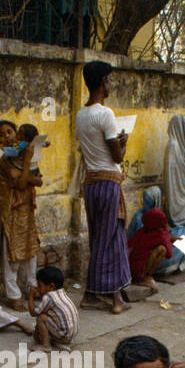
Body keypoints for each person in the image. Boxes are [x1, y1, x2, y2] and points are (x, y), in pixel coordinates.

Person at [74, 60, 131, 314]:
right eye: (109, 79)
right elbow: (117, 156)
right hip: (108, 181)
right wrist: (124, 141)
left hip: (91, 183)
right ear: (102, 82)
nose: (111, 84)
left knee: (99, 237)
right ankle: (116, 297)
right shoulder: (105, 114)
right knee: (111, 237)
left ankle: (90, 293)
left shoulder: (81, 114)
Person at [0, 119, 43, 312]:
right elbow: (22, 183)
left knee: (31, 251)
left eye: (10, 132)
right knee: (11, 254)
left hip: (27, 211)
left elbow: (39, 181)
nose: (7, 136)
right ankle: (13, 295)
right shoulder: (5, 161)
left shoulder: (27, 158)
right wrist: (31, 175)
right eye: (2, 134)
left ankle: (32, 287)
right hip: (11, 212)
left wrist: (31, 173)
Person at [27, 265, 78, 350]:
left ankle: (46, 345)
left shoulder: (49, 297)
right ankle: (55, 341)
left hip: (64, 335)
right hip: (72, 334)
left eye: (40, 286)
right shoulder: (61, 293)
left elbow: (33, 313)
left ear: (51, 286)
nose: (38, 288)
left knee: (41, 318)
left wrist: (31, 296)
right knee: (45, 315)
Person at [163, 115, 185, 237]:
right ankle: (176, 254)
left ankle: (182, 254)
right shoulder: (173, 146)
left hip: (182, 194)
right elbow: (174, 175)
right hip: (176, 194)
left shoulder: (180, 147)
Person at [127, 206, 174, 293]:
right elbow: (169, 255)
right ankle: (145, 277)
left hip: (130, 267)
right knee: (162, 249)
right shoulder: (160, 235)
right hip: (140, 270)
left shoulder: (142, 230)